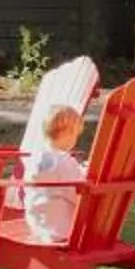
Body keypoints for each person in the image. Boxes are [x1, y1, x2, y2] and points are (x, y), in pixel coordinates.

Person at [23, 101, 89, 245]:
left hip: (38, 225)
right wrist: (86, 173)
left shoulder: (37, 158)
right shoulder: (65, 161)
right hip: (61, 229)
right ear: (68, 133)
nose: (75, 140)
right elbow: (77, 194)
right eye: (76, 135)